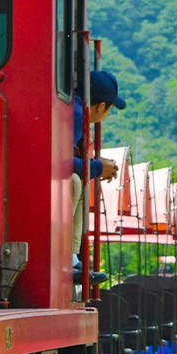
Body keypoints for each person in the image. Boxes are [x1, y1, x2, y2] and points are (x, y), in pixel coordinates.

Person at [72, 70, 124, 281]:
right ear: (101, 106)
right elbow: (61, 163)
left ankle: (71, 257)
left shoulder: (74, 110)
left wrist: (94, 166)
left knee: (78, 182)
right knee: (74, 183)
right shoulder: (77, 115)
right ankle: (65, 255)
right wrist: (97, 167)